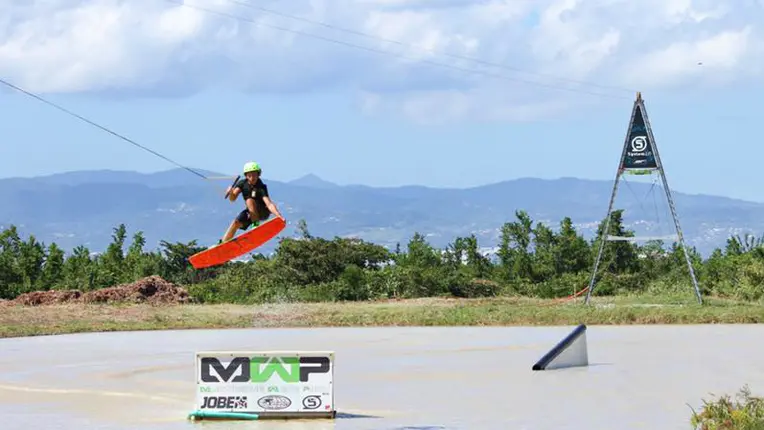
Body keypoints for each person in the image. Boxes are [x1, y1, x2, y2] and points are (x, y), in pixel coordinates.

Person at [221, 161, 284, 243]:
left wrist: (279, 215)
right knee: (235, 223)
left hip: (262, 212)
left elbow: (269, 204)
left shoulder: (261, 187)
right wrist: (231, 193)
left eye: (254, 175)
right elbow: (232, 199)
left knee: (249, 200)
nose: (252, 178)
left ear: (258, 174)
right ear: (246, 176)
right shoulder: (242, 183)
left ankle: (255, 225)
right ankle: (223, 243)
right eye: (249, 175)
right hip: (251, 212)